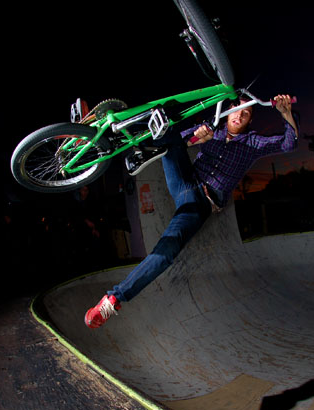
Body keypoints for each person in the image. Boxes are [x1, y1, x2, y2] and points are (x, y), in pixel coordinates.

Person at [85, 94, 299, 328]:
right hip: (187, 179)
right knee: (168, 129)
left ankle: (113, 299)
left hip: (200, 202)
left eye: (245, 113)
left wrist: (285, 113)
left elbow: (289, 143)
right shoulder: (213, 125)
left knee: (168, 249)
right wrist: (196, 139)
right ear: (228, 111)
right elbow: (182, 141)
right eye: (236, 109)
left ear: (249, 120)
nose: (239, 115)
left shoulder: (253, 143)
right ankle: (99, 133)